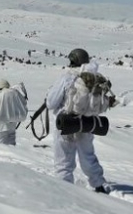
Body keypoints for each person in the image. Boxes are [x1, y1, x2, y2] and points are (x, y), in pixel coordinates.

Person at [46, 48, 108, 194]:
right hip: (87, 123)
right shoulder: (93, 77)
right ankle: (98, 184)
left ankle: (64, 190)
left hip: (66, 123)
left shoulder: (67, 77)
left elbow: (51, 102)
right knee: (87, 156)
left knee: (64, 160)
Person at [0, 79, 28, 146]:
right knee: (11, 145)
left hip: (1, 126)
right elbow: (23, 103)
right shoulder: (15, 93)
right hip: (13, 124)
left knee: (1, 146)